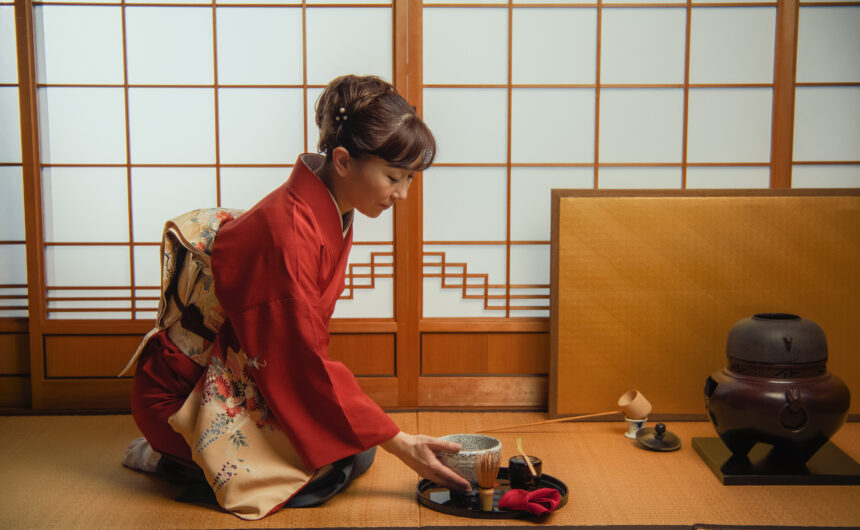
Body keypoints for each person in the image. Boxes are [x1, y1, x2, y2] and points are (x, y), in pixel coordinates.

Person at [122, 74, 471, 520]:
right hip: (183, 395)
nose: (401, 194)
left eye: (408, 179)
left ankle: (188, 460)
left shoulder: (331, 205)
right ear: (343, 160)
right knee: (326, 474)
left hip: (243, 371)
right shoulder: (286, 231)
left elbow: (296, 349)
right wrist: (401, 442)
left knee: (353, 453)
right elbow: (300, 358)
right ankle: (169, 458)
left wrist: (380, 436)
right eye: (393, 177)